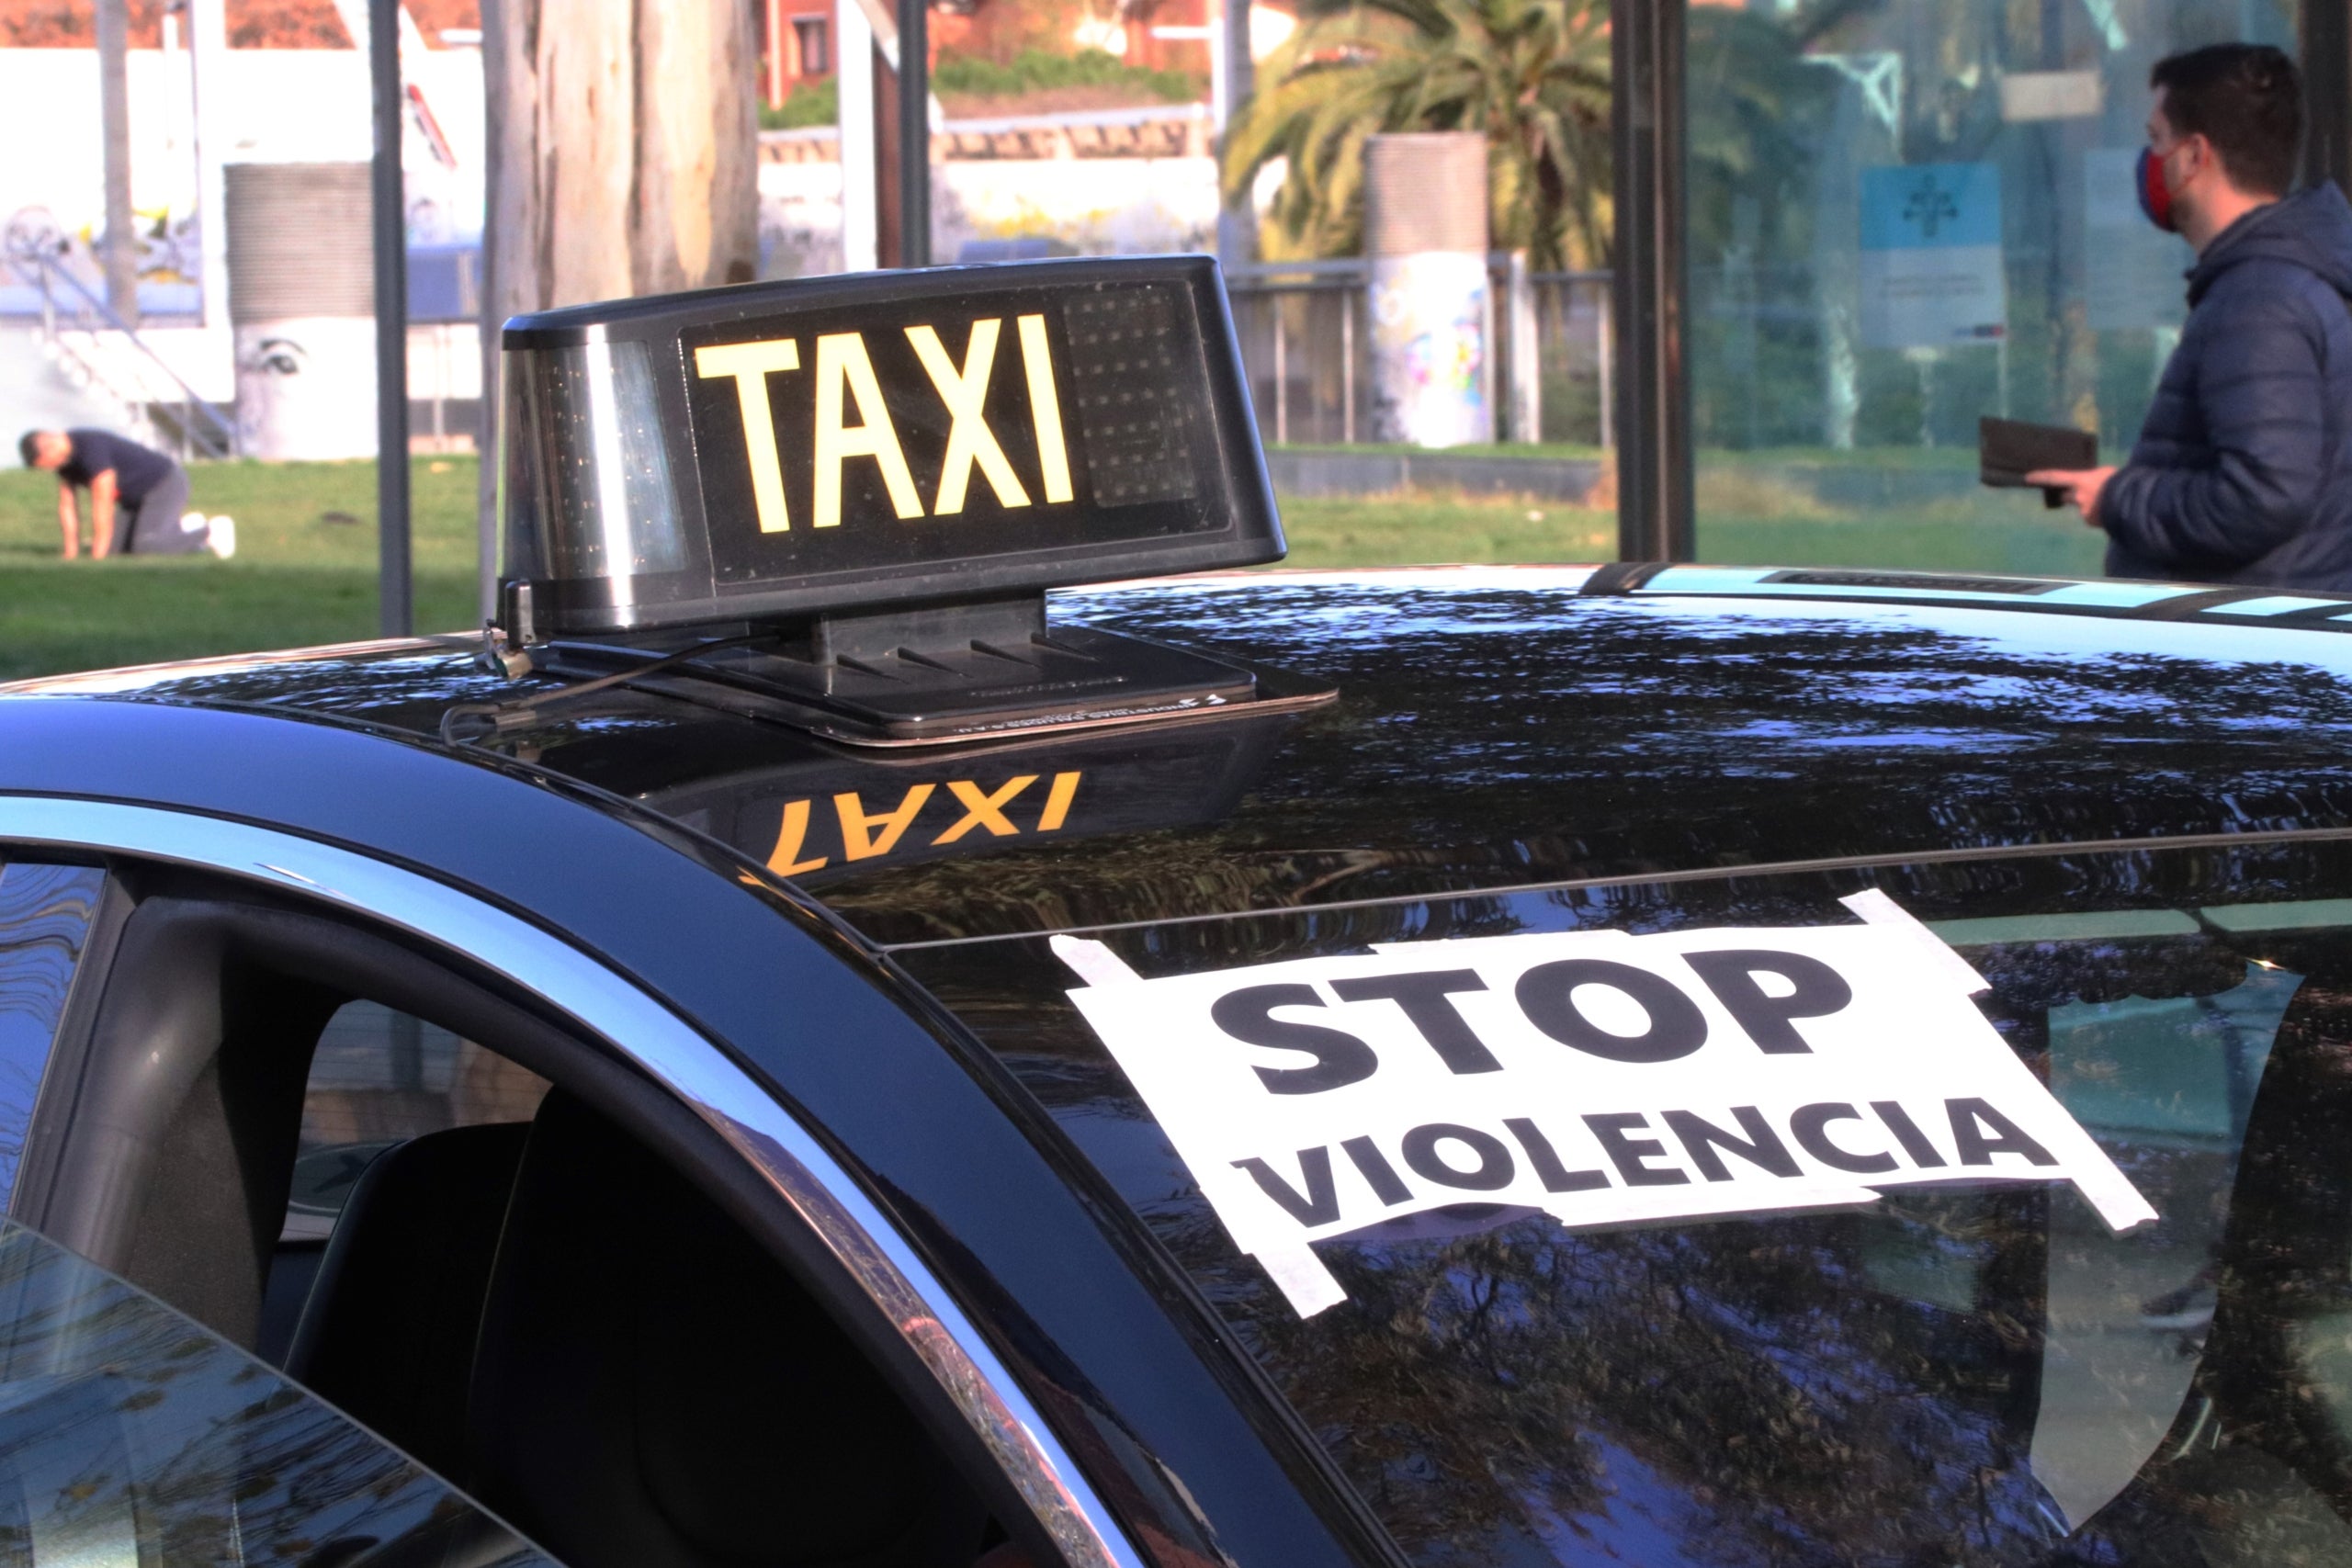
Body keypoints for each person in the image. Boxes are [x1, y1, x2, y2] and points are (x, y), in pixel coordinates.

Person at [2030, 44, 2352, 589]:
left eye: (2157, 140)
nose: (2147, 160)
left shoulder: (2259, 301)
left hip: (2248, 642)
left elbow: (2263, 496)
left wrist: (2117, 498)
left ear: (2194, 156)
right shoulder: (2287, 277)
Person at [17, 427, 226, 560]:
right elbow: (67, 506)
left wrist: (97, 557)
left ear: (49, 449)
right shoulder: (64, 463)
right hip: (133, 500)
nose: (47, 469)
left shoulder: (90, 449)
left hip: (164, 485)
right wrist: (70, 553)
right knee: (114, 551)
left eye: (45, 464)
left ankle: (210, 532)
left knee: (146, 548)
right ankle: (182, 528)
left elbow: (103, 504)